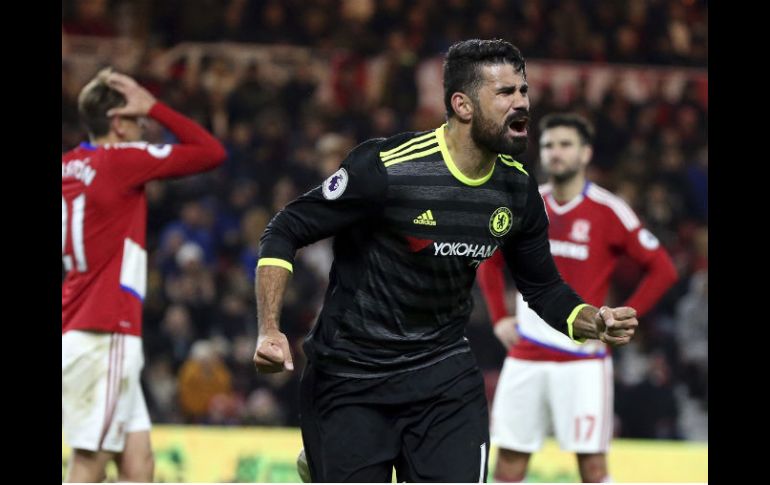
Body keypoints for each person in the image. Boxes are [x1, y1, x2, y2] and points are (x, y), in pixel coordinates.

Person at [253, 39, 639, 483]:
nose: (522, 103)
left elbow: (543, 287)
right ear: (463, 105)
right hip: (352, 376)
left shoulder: (517, 189)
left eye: (524, 91)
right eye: (505, 93)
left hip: (443, 379)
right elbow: (285, 229)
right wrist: (268, 328)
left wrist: (595, 320)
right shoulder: (387, 168)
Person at [476, 113, 678, 482]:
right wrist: (499, 317)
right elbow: (488, 259)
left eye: (565, 144)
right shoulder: (526, 203)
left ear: (586, 154)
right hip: (527, 354)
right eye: (549, 145)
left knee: (593, 468)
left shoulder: (608, 209)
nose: (556, 152)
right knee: (507, 464)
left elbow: (663, 269)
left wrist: (626, 317)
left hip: (582, 359)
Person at [62, 68, 226, 482]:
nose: (144, 128)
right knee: (90, 463)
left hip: (81, 326)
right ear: (118, 122)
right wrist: (155, 105)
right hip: (106, 331)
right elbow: (209, 151)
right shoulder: (120, 161)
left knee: (139, 465)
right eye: (137, 121)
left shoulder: (67, 167)